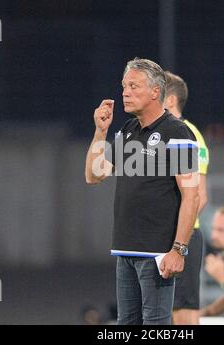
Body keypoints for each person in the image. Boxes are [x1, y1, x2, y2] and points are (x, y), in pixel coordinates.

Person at [85, 58, 200, 325]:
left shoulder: (177, 131)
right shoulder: (127, 130)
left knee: (155, 325)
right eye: (124, 86)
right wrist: (100, 132)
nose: (125, 92)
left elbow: (191, 196)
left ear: (155, 92)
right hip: (125, 250)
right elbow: (94, 175)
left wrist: (179, 249)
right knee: (127, 324)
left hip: (156, 252)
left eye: (134, 86)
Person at [163, 71, 209, 325]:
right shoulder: (163, 133)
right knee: (165, 310)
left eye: (157, 91)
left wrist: (177, 240)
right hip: (168, 237)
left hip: (184, 237)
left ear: (170, 100)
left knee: (184, 311)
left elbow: (199, 197)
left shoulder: (187, 133)